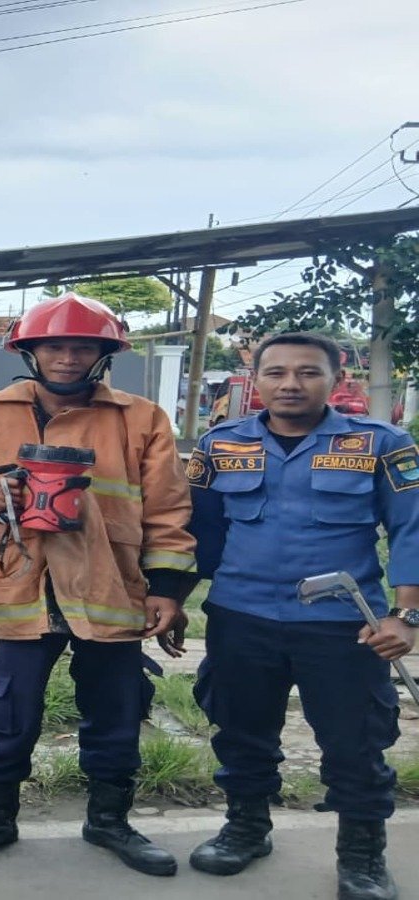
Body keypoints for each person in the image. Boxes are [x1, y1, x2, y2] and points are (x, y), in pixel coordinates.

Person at [0, 292, 198, 876]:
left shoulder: (141, 419)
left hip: (110, 590)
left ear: (103, 354)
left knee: (117, 712)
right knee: (6, 712)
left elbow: (169, 510)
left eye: (82, 347)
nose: (68, 358)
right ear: (31, 351)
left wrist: (167, 588)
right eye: (55, 346)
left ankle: (110, 821)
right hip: (18, 589)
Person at [185, 331, 419, 900]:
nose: (291, 383)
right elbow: (197, 532)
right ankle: (246, 828)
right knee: (241, 730)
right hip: (241, 617)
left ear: (337, 381)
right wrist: (170, 599)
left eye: (308, 372)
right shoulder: (218, 445)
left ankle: (362, 857)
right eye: (278, 373)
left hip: (344, 625)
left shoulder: (383, 444)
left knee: (354, 741)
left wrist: (406, 617)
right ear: (257, 380)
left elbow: (412, 528)